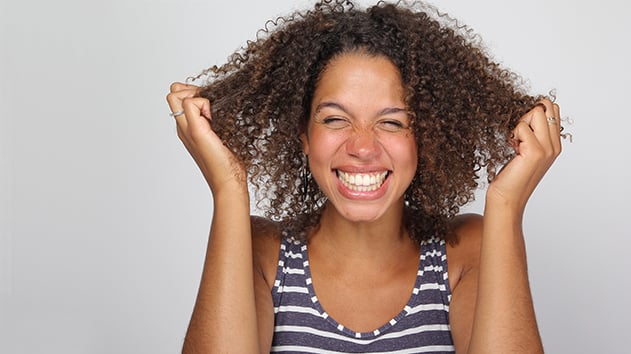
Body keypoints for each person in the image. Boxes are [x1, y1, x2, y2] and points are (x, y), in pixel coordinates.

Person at [166, 0, 563, 352]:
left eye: (392, 123)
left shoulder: (465, 252)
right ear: (304, 135)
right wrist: (228, 187)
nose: (363, 147)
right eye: (335, 119)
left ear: (425, 138)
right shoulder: (262, 253)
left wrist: (507, 206)